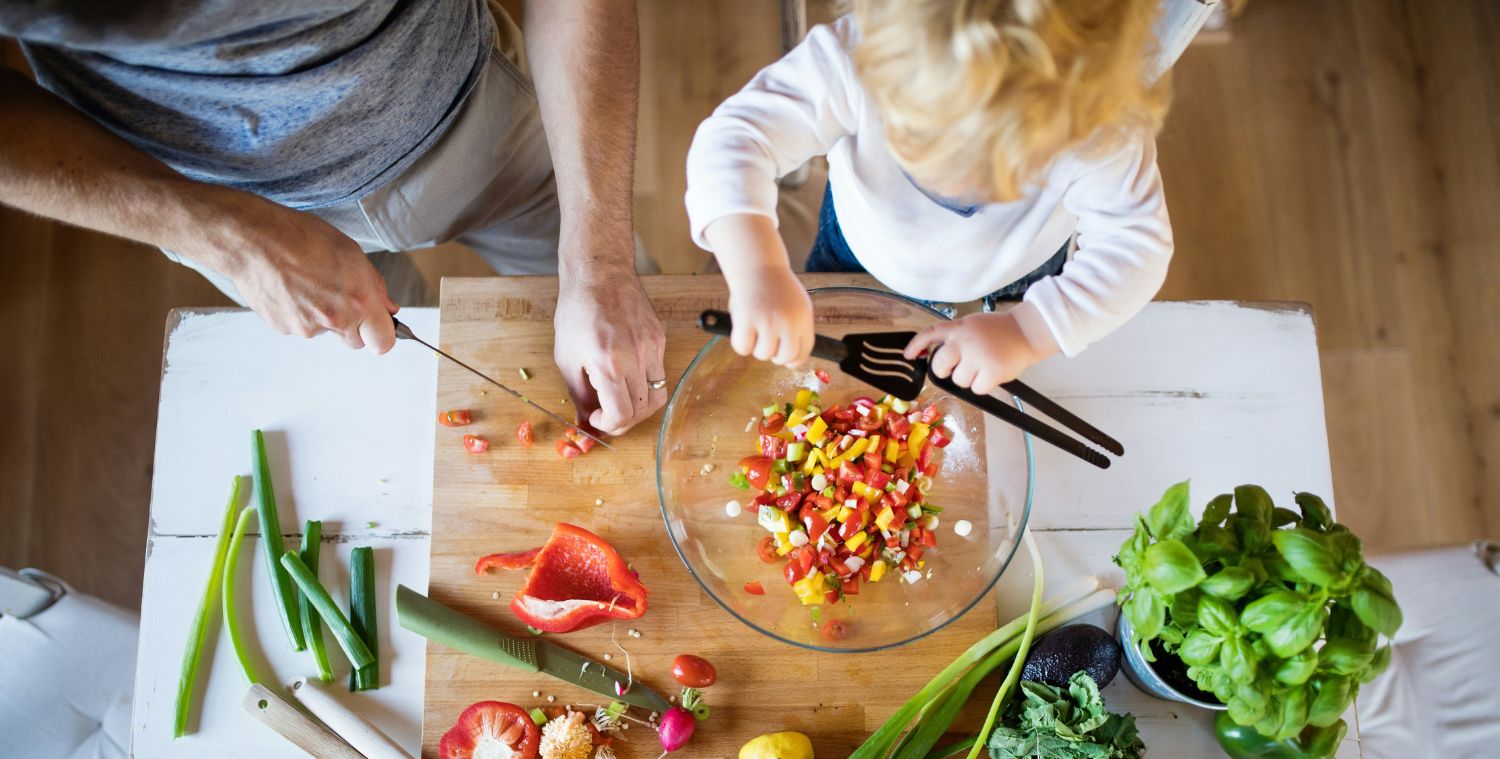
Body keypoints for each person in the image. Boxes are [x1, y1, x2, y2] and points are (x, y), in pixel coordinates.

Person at [0, 1, 667, 435]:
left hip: (471, 110)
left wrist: (600, 264)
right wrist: (225, 237)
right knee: (412, 413)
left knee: (636, 348)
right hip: (220, 204)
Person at [684, 0, 1174, 396]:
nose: (959, 189)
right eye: (926, 140)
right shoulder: (859, 57)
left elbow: (1135, 246)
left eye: (1005, 167)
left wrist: (1029, 332)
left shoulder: (1102, 121)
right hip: (857, 251)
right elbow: (737, 138)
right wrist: (759, 272)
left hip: (1015, 281)